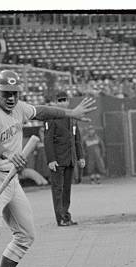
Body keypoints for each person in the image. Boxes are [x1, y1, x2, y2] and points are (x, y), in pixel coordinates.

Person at [0, 70, 96, 267]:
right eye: (6, 94)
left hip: (11, 178)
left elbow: (41, 112)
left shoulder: (18, 107)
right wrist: (9, 152)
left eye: (15, 94)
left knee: (26, 234)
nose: (11, 98)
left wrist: (71, 113)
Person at [44, 90, 86, 227]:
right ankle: (60, 218)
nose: (63, 103)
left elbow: (77, 139)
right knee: (58, 189)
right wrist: (51, 159)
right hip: (58, 160)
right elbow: (48, 140)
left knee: (67, 189)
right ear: (56, 103)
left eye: (65, 100)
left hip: (69, 159)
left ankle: (66, 215)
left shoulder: (72, 117)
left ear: (68, 101)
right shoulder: (51, 118)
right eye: (60, 100)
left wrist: (80, 157)